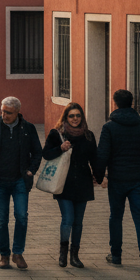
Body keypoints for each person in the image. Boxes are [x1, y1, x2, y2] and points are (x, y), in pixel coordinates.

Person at [96, 89, 140, 277]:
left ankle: (116, 255)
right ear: (132, 103)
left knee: (116, 217)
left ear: (115, 103)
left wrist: (100, 176)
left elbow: (102, 155)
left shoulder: (109, 127)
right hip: (138, 180)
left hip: (117, 179)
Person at [0, 96, 42, 270]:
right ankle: (4, 255)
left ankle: (18, 253)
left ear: (17, 113)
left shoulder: (28, 129)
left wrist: (31, 170)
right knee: (1, 220)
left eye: (8, 112)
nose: (4, 115)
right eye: (3, 111)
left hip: (20, 180)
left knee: (21, 217)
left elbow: (37, 152)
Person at [42, 102, 102, 269]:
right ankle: (63, 253)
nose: (75, 119)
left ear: (81, 117)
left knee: (79, 221)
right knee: (68, 219)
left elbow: (94, 159)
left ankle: (75, 255)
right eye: (71, 116)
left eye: (78, 115)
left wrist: (100, 177)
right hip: (64, 183)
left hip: (83, 182)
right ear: (65, 117)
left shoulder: (88, 135)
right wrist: (60, 148)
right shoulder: (57, 134)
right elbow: (46, 154)